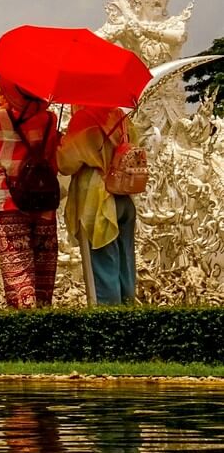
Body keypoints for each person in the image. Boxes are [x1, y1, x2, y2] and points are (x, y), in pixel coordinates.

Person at [0, 77, 61, 308]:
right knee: (43, 275)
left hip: (12, 202)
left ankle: (25, 325)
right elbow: (56, 160)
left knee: (18, 276)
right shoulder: (49, 120)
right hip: (45, 203)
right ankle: (44, 318)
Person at [59, 105, 139, 305]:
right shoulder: (120, 116)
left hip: (97, 197)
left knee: (103, 270)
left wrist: (59, 142)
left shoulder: (85, 118)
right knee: (125, 265)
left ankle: (108, 326)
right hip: (124, 194)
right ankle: (130, 319)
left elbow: (65, 163)